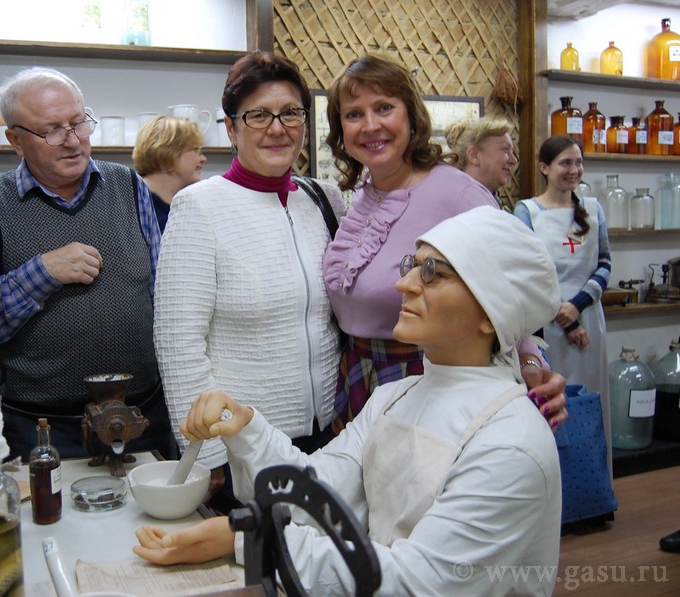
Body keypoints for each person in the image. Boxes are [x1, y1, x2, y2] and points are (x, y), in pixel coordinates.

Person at [134, 206, 563, 596]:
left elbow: (422, 583)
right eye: (412, 265)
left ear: (491, 313)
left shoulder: (511, 441)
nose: (404, 284)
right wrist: (245, 427)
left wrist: (250, 539)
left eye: (433, 272)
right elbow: (322, 490)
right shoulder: (396, 398)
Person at [321, 53, 564, 428]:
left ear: (411, 115)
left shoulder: (457, 193)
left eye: (384, 107)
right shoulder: (363, 194)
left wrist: (530, 360)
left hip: (429, 380)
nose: (370, 125)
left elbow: (510, 291)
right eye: (354, 114)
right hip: (357, 373)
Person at [0, 66, 176, 461]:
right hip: (42, 430)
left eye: (78, 123)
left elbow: (165, 296)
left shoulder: (129, 186)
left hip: (142, 416)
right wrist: (42, 273)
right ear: (15, 140)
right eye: (52, 130)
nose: (72, 140)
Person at [153, 51, 347, 506]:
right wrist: (210, 455)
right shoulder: (199, 206)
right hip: (241, 446)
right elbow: (178, 342)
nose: (277, 128)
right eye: (258, 115)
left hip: (327, 438)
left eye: (290, 113)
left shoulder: (325, 200)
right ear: (231, 128)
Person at [514, 134, 612, 465]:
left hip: (589, 319)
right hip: (546, 325)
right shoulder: (527, 211)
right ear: (544, 167)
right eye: (565, 163)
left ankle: (595, 478)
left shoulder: (594, 210)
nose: (574, 170)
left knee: (591, 396)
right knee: (552, 401)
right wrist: (564, 317)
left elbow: (604, 264)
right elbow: (526, 270)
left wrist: (577, 306)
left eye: (579, 163)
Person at [132, 115, 207, 232]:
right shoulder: (131, 204)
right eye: (196, 150)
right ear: (169, 151)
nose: (203, 159)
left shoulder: (190, 206)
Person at [443, 116, 518, 210]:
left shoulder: (491, 200)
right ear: (474, 156)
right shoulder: (459, 206)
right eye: (505, 150)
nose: (514, 160)